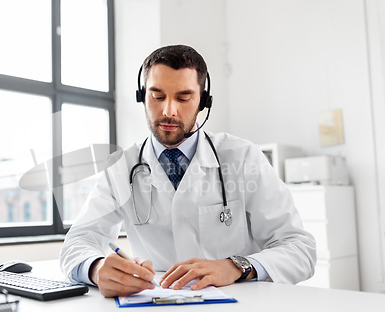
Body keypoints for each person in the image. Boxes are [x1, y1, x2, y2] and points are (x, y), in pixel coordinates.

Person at [60, 45, 316, 298]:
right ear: (142, 96)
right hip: (155, 310)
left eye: (183, 98)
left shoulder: (243, 157)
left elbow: (299, 249)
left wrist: (235, 266)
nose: (168, 110)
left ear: (203, 101)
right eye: (157, 97)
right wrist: (95, 268)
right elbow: (77, 242)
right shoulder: (121, 168)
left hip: (237, 309)